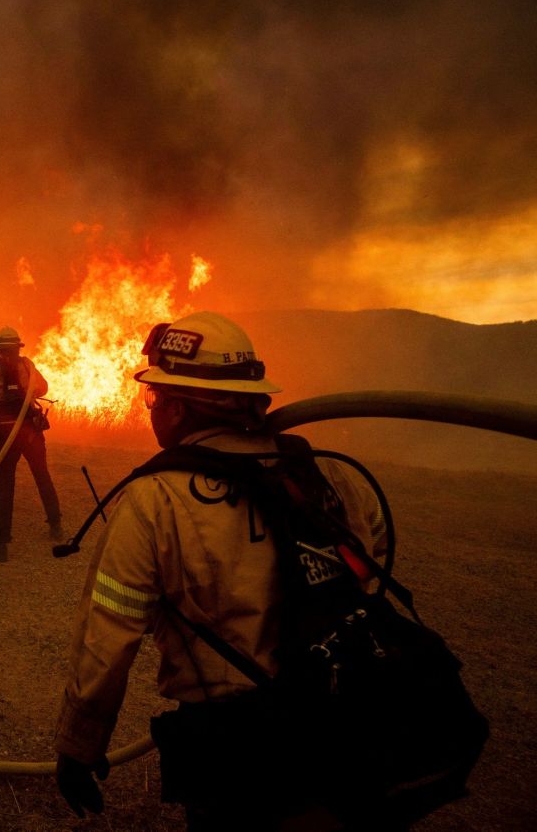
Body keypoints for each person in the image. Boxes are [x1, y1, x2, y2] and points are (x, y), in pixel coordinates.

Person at [53, 312, 393, 830]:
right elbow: (375, 549)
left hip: (240, 750)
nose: (152, 409)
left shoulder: (155, 499)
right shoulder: (325, 472)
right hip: (351, 718)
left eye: (154, 398)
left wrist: (80, 745)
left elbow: (108, 636)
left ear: (178, 409)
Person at [0, 326, 62, 562]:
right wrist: (26, 391)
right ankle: (56, 526)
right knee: (42, 475)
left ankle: (0, 544)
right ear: (17, 347)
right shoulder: (27, 366)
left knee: (4, 485)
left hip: (6, 434)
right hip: (31, 432)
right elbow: (43, 387)